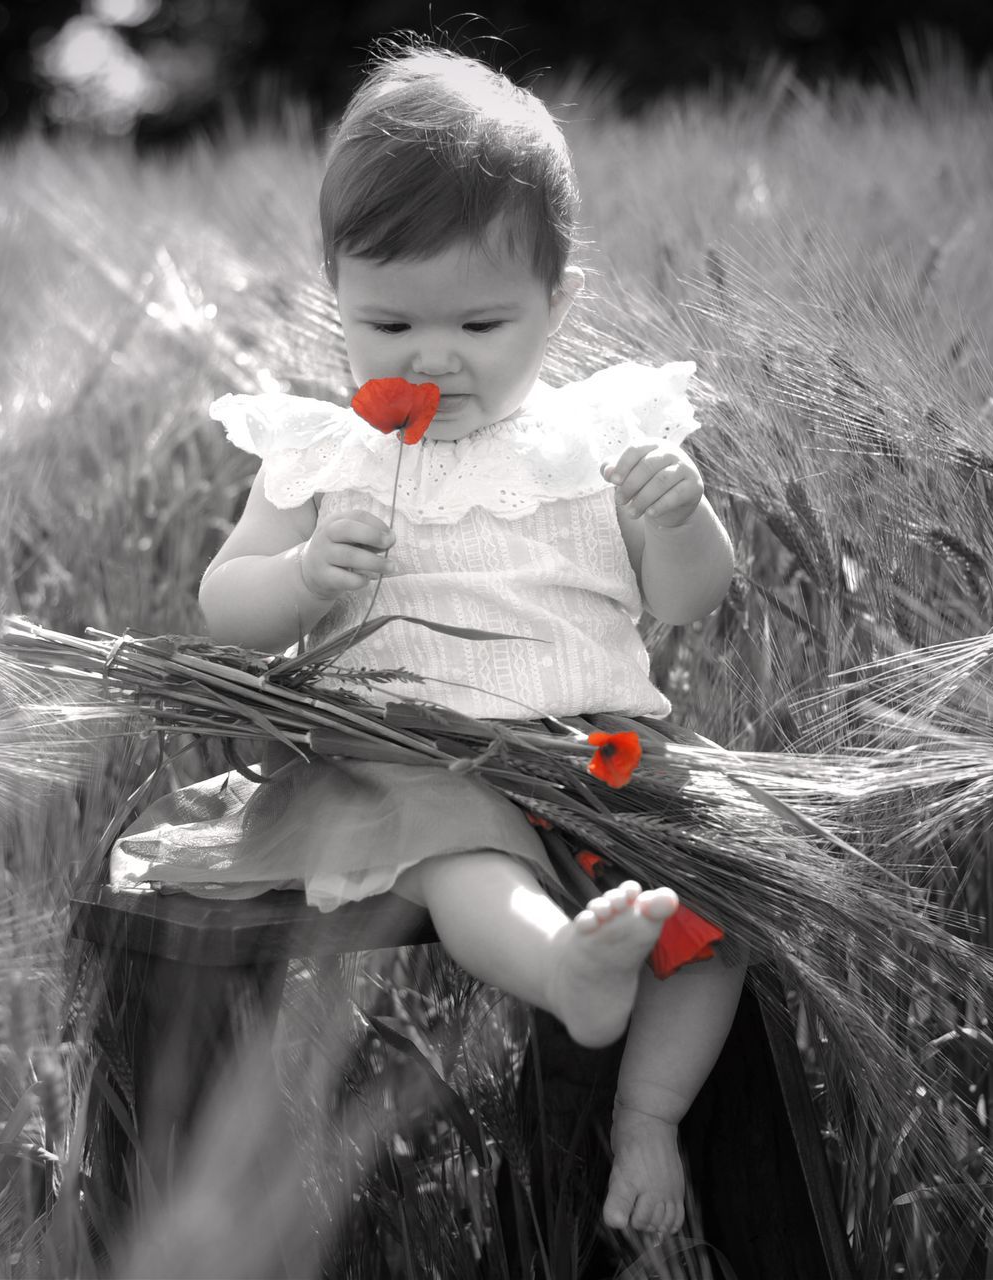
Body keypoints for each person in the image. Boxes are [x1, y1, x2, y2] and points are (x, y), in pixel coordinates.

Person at [117, 43, 742, 1237]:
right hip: (405, 751)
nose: (431, 355)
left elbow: (686, 598)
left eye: (481, 320)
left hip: (594, 751)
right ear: (334, 298)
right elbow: (223, 601)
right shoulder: (327, 454)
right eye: (388, 317)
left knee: (716, 914)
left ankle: (648, 1115)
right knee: (466, 859)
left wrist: (683, 517)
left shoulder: (596, 438)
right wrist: (301, 576)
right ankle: (564, 968)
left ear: (555, 310)